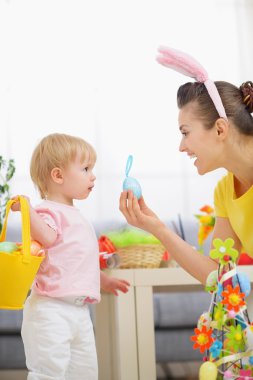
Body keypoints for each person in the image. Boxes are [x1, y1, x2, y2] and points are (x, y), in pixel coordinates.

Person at [119, 46, 253, 286]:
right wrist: (157, 228)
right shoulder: (225, 191)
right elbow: (219, 275)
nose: (182, 147)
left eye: (185, 132)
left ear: (220, 129)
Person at [11, 133, 130, 380]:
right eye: (86, 168)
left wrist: (102, 281)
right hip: (50, 309)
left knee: (84, 372)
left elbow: (76, 261)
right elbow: (47, 237)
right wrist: (27, 210)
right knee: (49, 372)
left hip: (78, 312)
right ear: (58, 176)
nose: (93, 175)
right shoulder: (47, 211)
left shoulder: (75, 215)